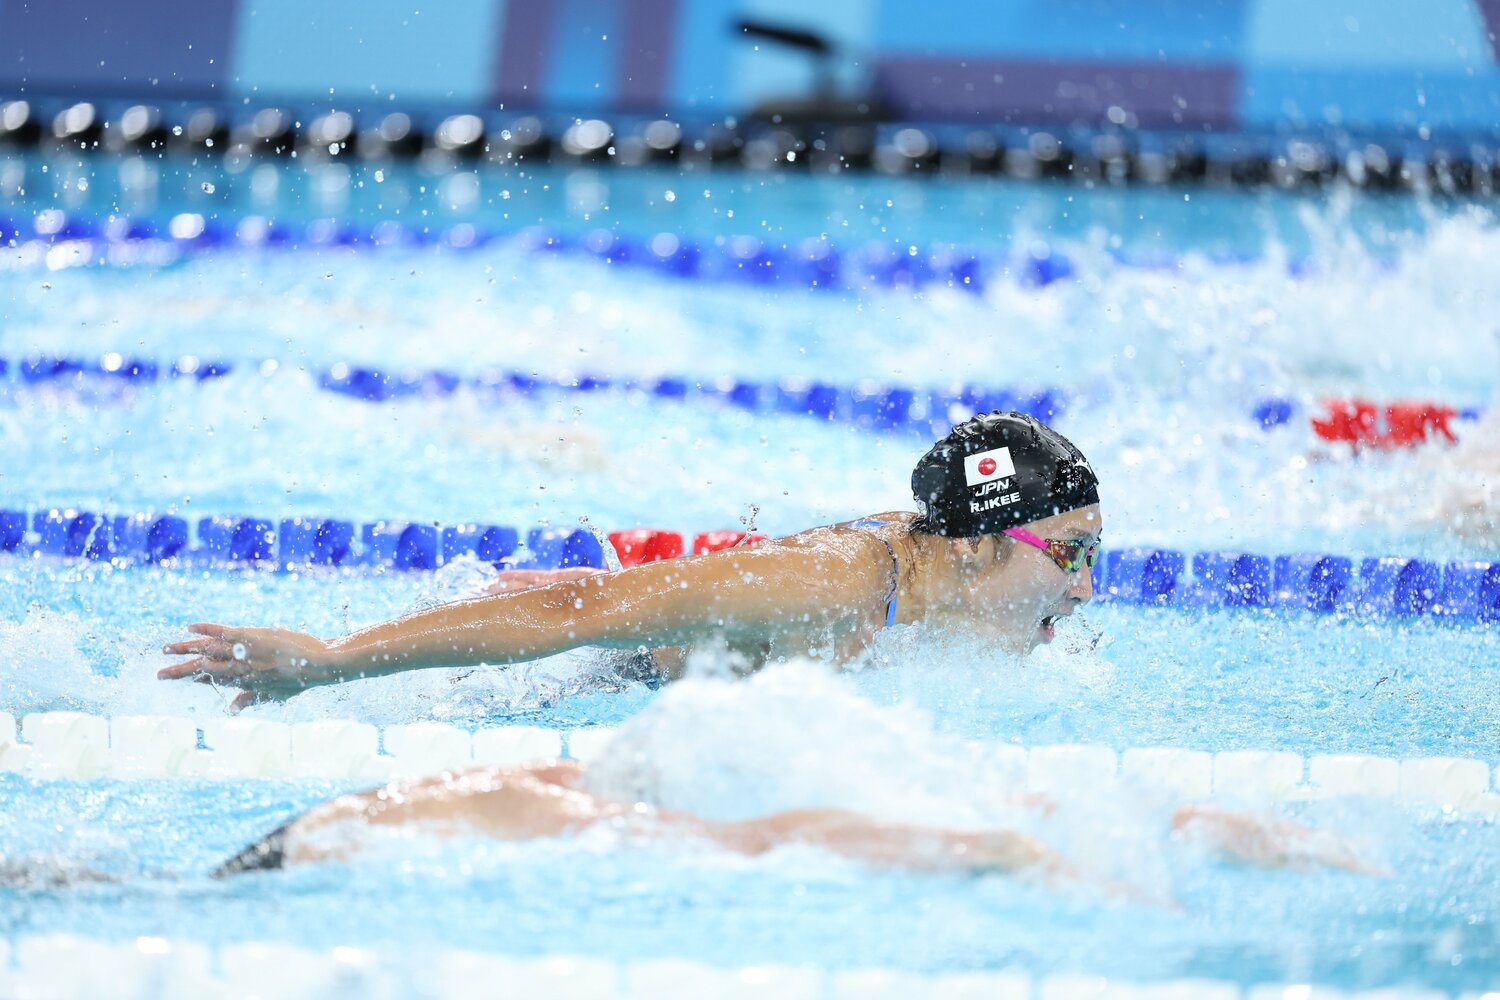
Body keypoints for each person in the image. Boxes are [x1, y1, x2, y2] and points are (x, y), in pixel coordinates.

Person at [160, 411, 1103, 708]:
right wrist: (328, 661)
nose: (1088, 586)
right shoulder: (840, 583)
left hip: (666, 600)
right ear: (978, 546)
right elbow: (573, 622)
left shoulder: (963, 597)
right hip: (589, 651)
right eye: (1070, 553)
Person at [213, 757, 1380, 886]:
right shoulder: (542, 803)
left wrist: (1198, 819)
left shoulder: (691, 764)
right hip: (306, 859)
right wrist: (992, 854)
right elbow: (770, 838)